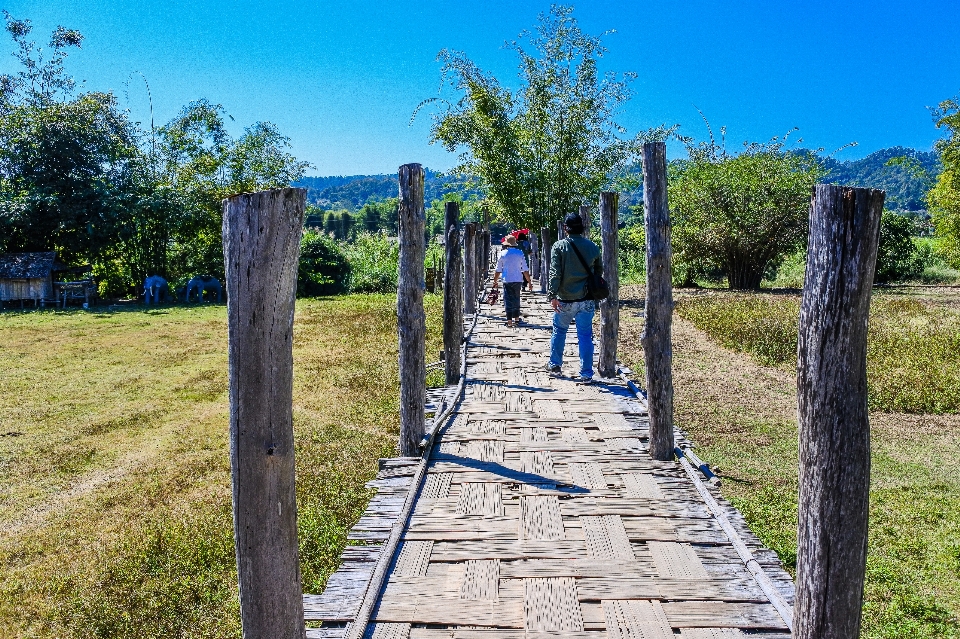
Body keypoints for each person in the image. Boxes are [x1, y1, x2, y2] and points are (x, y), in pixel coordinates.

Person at [547, 212, 602, 382]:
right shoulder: (593, 246)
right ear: (583, 228)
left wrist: (552, 294)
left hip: (565, 298)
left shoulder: (559, 246)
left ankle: (555, 365)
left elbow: (555, 273)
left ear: (565, 228)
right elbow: (598, 271)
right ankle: (586, 373)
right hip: (586, 299)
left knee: (559, 331)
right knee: (585, 336)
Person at [492, 234, 533, 327]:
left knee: (507, 299)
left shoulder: (502, 254)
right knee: (516, 298)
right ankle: (517, 319)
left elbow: (498, 270)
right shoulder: (520, 253)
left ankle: (509, 320)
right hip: (518, 279)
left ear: (506, 244)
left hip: (507, 280)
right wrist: (529, 282)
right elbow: (525, 269)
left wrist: (495, 281)